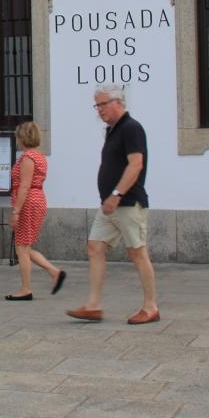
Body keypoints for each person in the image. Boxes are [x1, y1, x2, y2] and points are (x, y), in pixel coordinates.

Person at [67, 84, 160, 324]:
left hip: (127, 202)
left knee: (137, 252)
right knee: (95, 247)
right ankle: (93, 305)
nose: (99, 110)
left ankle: (151, 307)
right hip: (109, 204)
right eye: (97, 105)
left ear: (118, 102)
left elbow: (136, 164)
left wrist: (117, 194)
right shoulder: (112, 130)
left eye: (103, 104)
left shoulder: (131, 128)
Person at [5, 121, 65, 301]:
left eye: (18, 137)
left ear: (23, 138)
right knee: (25, 246)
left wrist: (16, 212)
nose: (16, 140)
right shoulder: (39, 156)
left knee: (21, 248)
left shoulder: (28, 157)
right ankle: (55, 272)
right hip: (35, 200)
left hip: (28, 203)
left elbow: (24, 186)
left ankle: (26, 289)